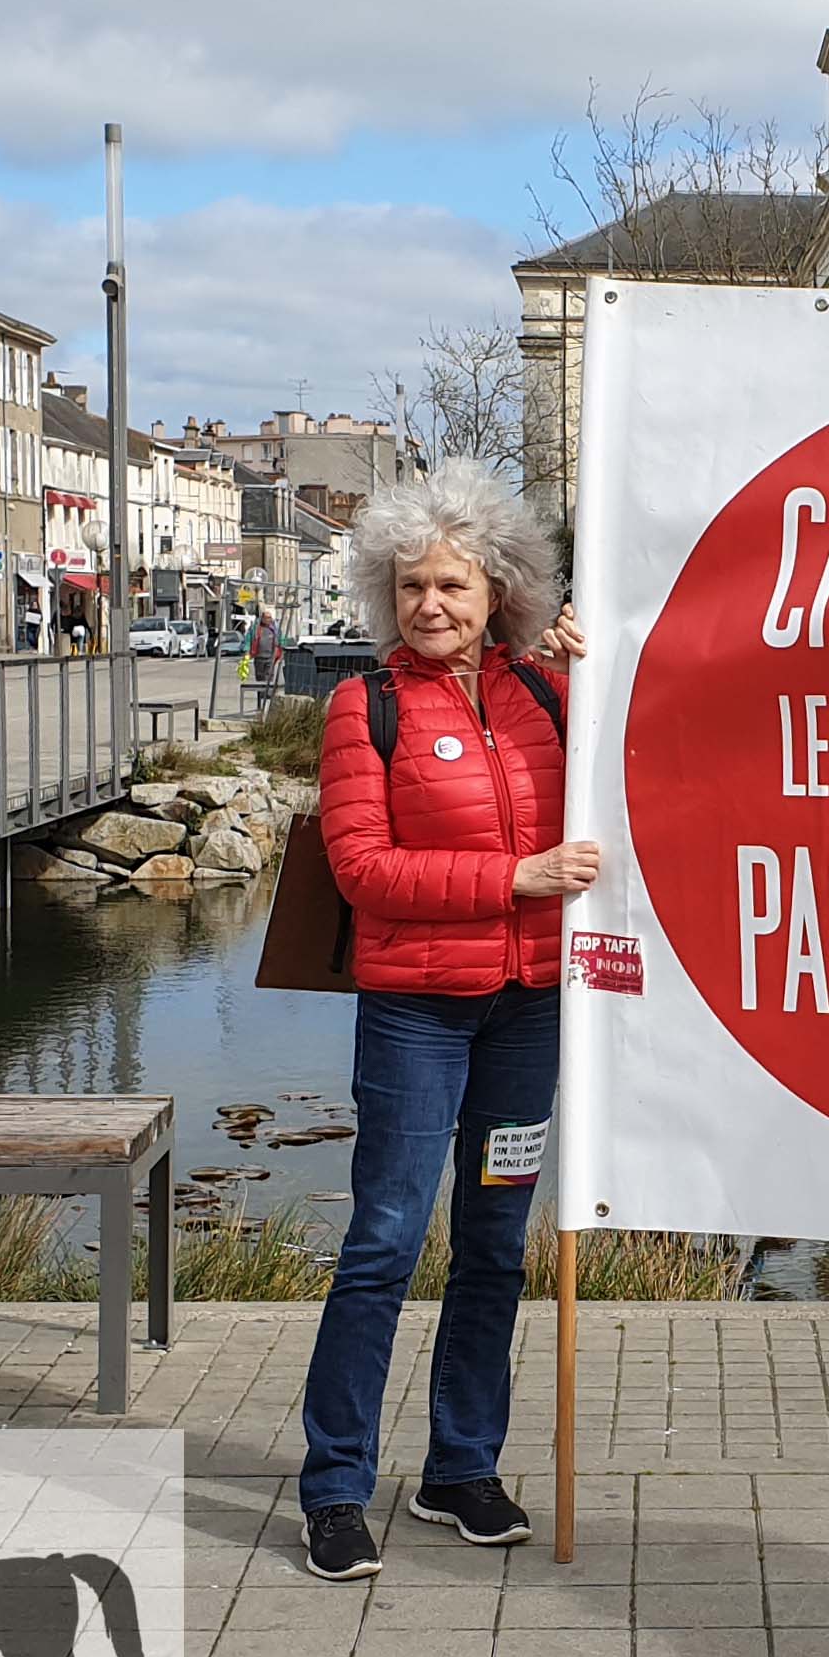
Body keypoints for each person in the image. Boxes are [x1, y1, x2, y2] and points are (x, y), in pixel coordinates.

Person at [297, 460, 595, 1582]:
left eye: (455, 586)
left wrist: (597, 675)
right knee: (381, 1241)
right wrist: (516, 878)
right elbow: (365, 869)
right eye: (414, 584)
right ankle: (335, 1485)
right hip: (417, 1013)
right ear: (388, 593)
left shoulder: (553, 696)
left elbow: (641, 775)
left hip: (531, 1011)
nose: (433, 604)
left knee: (493, 1246)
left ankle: (459, 1466)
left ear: (501, 591)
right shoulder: (362, 705)